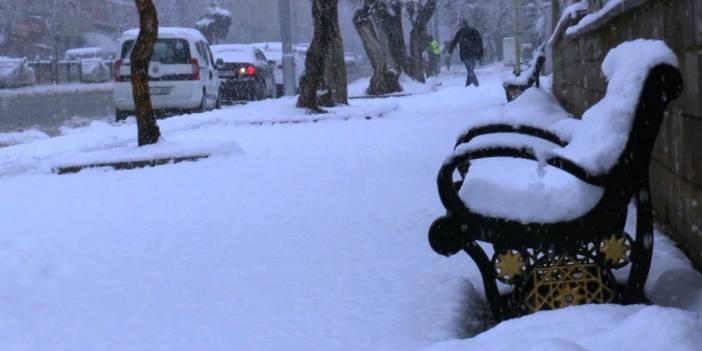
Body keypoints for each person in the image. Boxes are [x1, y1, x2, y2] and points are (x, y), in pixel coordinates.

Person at [447, 20, 484, 87]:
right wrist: (480, 51)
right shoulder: (473, 31)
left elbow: (454, 41)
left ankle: (472, 84)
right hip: (473, 53)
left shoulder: (461, 32)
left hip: (465, 54)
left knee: (469, 69)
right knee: (470, 69)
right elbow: (479, 42)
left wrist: (450, 49)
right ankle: (471, 85)